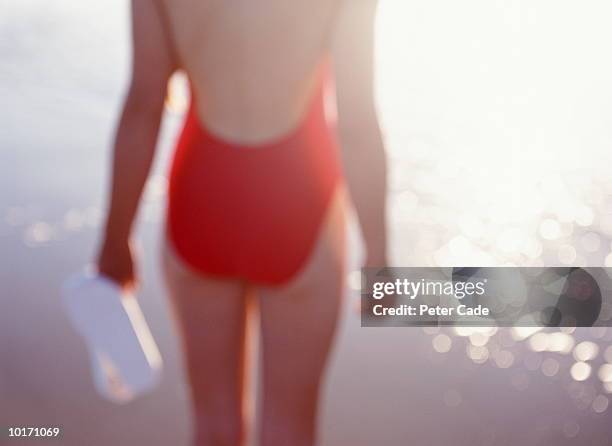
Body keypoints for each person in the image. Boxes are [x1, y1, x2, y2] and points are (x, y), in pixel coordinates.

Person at [96, 0, 387, 444]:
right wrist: (379, 255)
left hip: (201, 199)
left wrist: (115, 240)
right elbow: (357, 122)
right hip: (298, 200)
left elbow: (144, 103)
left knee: (213, 427)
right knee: (289, 430)